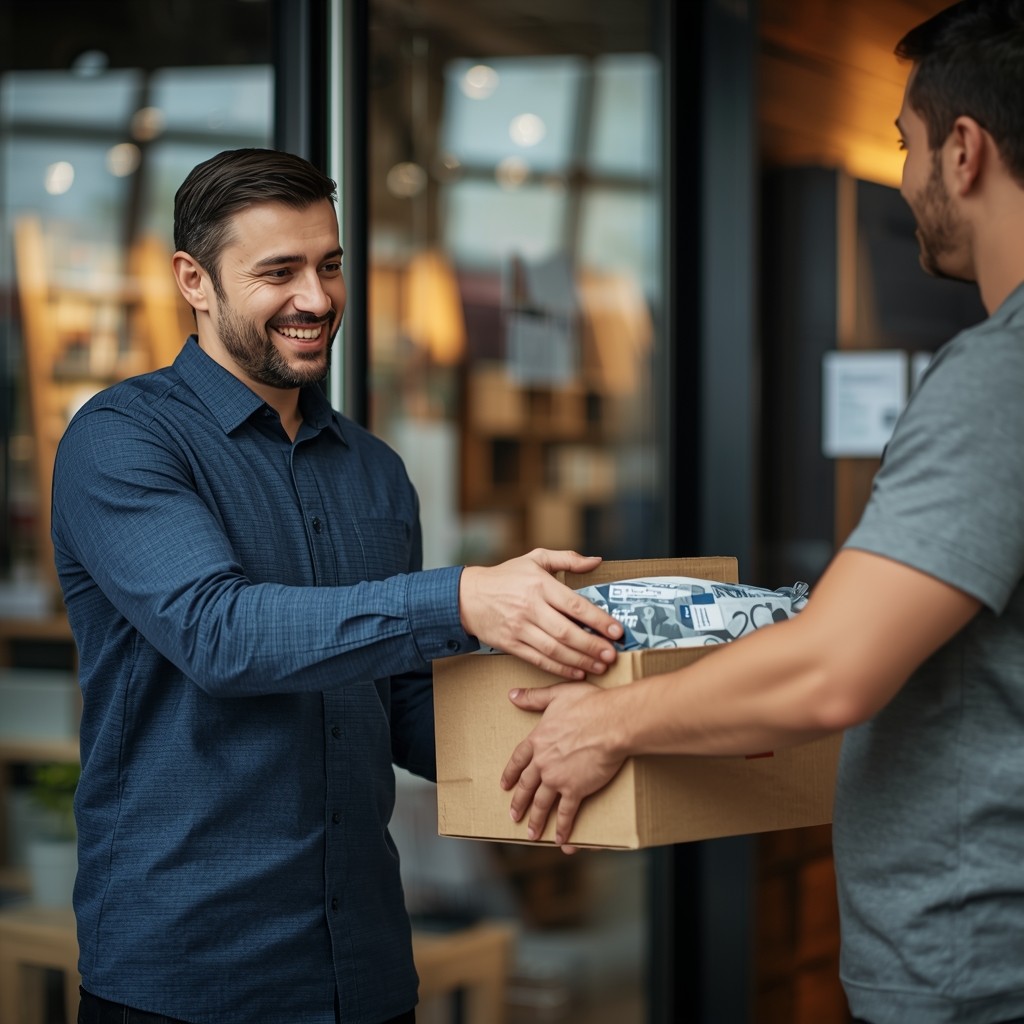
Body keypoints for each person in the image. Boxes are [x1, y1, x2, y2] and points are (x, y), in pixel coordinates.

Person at [499, 3, 1024, 1022]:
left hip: (981, 973)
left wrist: (609, 721)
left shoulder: (996, 378)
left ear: (963, 151)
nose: (909, 180)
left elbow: (835, 670)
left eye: (907, 147)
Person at [51, 147, 623, 1024]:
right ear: (193, 281)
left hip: (363, 971)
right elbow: (219, 634)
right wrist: (460, 599)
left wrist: (599, 730)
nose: (316, 300)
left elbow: (394, 706)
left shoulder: (376, 472)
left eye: (330, 265)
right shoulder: (122, 439)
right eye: (279, 272)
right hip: (187, 976)